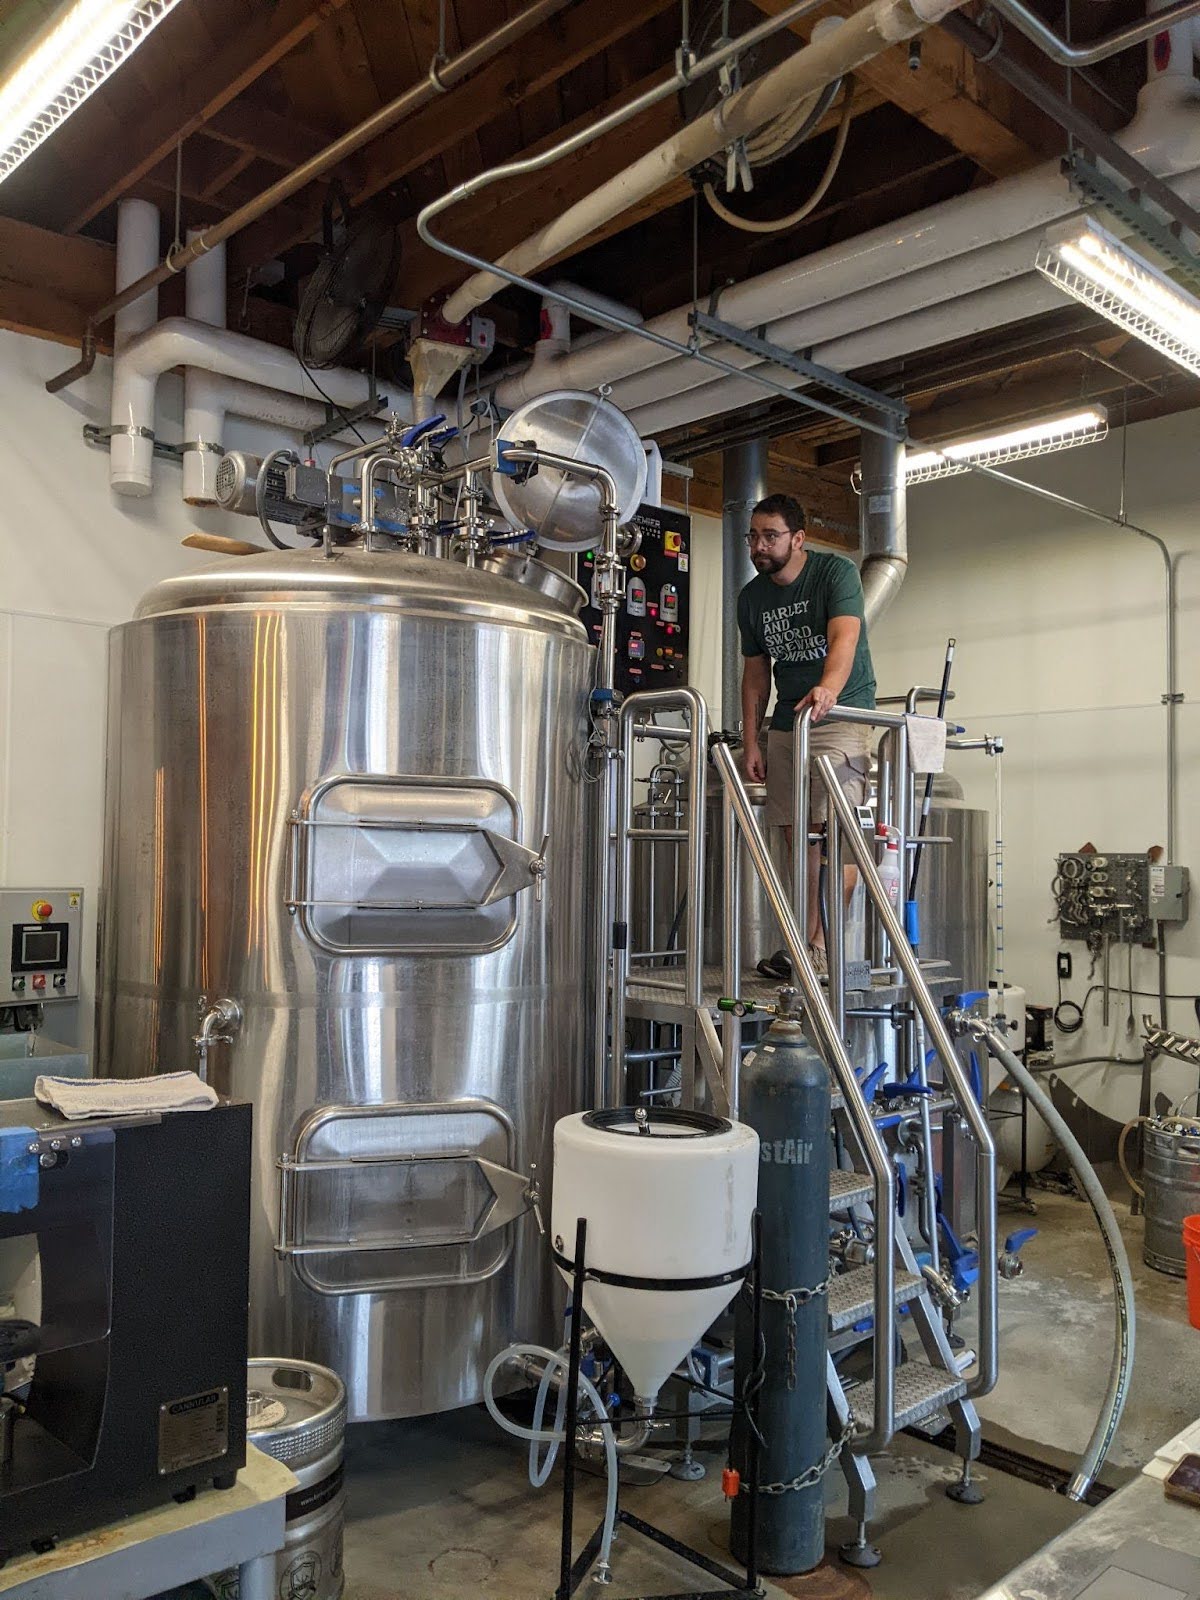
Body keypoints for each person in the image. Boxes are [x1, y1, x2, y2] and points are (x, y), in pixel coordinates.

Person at [737, 493, 877, 977]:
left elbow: (845, 637)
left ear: (798, 539)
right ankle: (802, 944)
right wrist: (751, 741)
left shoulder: (835, 574)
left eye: (770, 536)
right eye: (753, 536)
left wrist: (828, 689)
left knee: (836, 836)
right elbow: (755, 675)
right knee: (801, 840)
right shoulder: (752, 599)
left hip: (839, 715)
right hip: (787, 722)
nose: (759, 545)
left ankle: (819, 947)